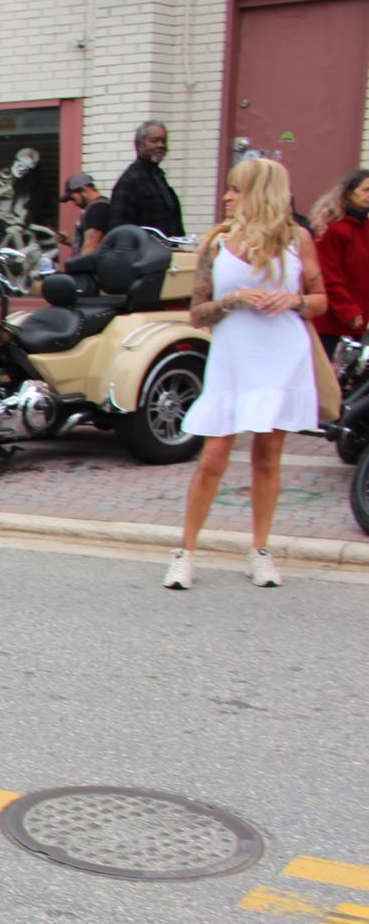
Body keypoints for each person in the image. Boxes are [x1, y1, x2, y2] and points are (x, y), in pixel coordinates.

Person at [164, 157, 327, 591]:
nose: (227, 197)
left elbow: (320, 300)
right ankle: (185, 552)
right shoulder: (216, 242)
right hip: (233, 360)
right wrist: (234, 298)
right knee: (213, 459)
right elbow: (197, 313)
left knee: (268, 457)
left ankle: (260, 550)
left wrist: (293, 300)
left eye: (236, 189)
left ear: (260, 193)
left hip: (282, 356)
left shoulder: (297, 239)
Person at [310, 169, 369, 354]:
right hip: (332, 322)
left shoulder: (365, 229)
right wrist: (348, 309)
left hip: (358, 320)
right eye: (366, 190)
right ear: (349, 193)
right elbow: (328, 275)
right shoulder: (335, 229)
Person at [110, 121, 184, 239]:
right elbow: (119, 230)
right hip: (144, 250)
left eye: (164, 141)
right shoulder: (129, 181)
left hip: (167, 249)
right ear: (139, 145)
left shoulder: (159, 179)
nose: (160, 145)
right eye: (154, 141)